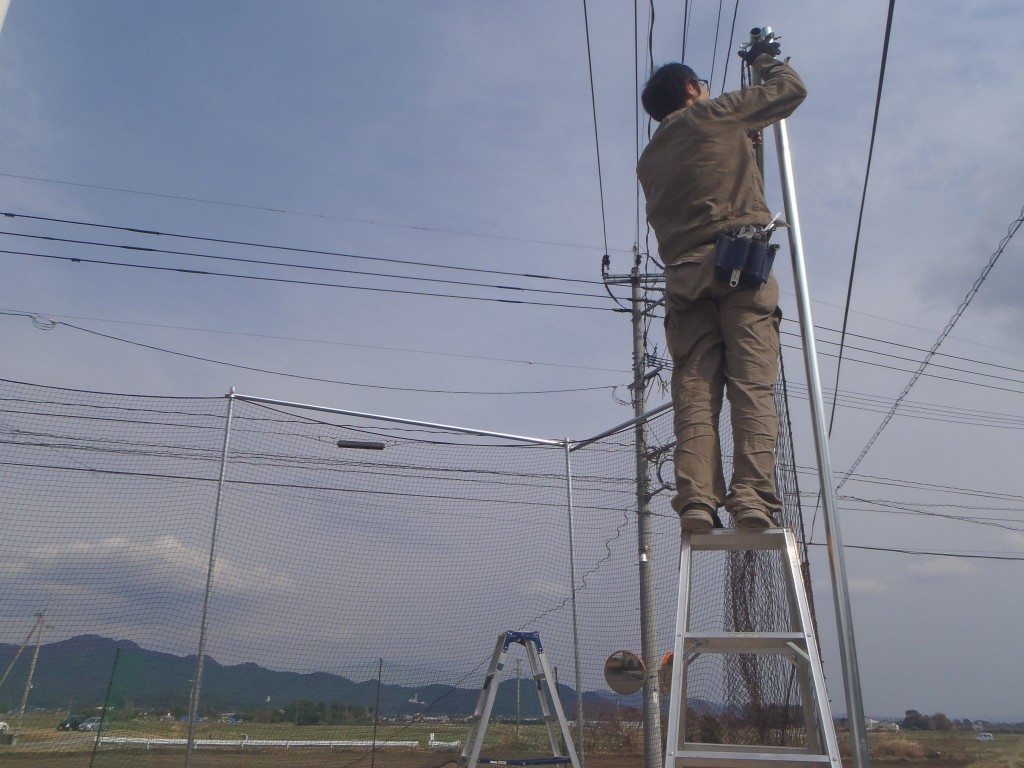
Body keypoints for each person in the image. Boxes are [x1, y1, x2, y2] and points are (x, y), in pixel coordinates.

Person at [636, 40, 806, 531]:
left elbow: (703, 175)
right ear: (692, 90)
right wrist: (765, 61)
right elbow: (789, 91)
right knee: (751, 384)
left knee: (694, 390)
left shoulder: (648, 161)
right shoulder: (715, 114)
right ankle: (751, 497)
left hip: (684, 278)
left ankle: (696, 502)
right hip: (740, 265)